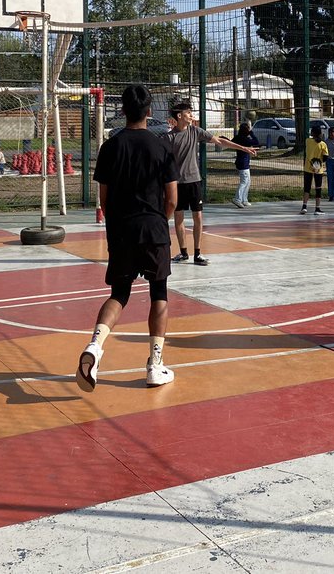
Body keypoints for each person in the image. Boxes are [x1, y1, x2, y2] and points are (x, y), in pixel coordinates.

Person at [76, 84, 179, 391]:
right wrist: (160, 221)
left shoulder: (110, 146)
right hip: (153, 228)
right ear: (149, 111)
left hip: (121, 230)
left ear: (122, 110)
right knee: (158, 293)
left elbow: (103, 198)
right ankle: (154, 364)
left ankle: (95, 346)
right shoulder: (161, 147)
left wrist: (117, 224)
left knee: (119, 294)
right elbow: (172, 199)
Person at [165, 101, 256, 265]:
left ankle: (197, 253)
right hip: (177, 184)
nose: (191, 114)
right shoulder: (169, 137)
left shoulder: (195, 131)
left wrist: (244, 148)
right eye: (188, 112)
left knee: (198, 217)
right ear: (179, 116)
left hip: (194, 181)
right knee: (178, 219)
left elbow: (219, 141)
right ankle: (183, 252)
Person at [301, 122, 329, 215]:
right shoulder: (323, 144)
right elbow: (325, 157)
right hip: (318, 168)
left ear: (312, 133)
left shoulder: (307, 141)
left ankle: (304, 207)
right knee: (318, 188)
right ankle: (317, 208)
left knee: (307, 188)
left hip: (308, 167)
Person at [231, 121, 259, 208]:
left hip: (242, 162)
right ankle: (237, 199)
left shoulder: (238, 137)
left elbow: (233, 141)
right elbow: (256, 141)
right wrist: (251, 132)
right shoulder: (244, 139)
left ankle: (244, 199)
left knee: (248, 181)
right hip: (243, 162)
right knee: (244, 181)